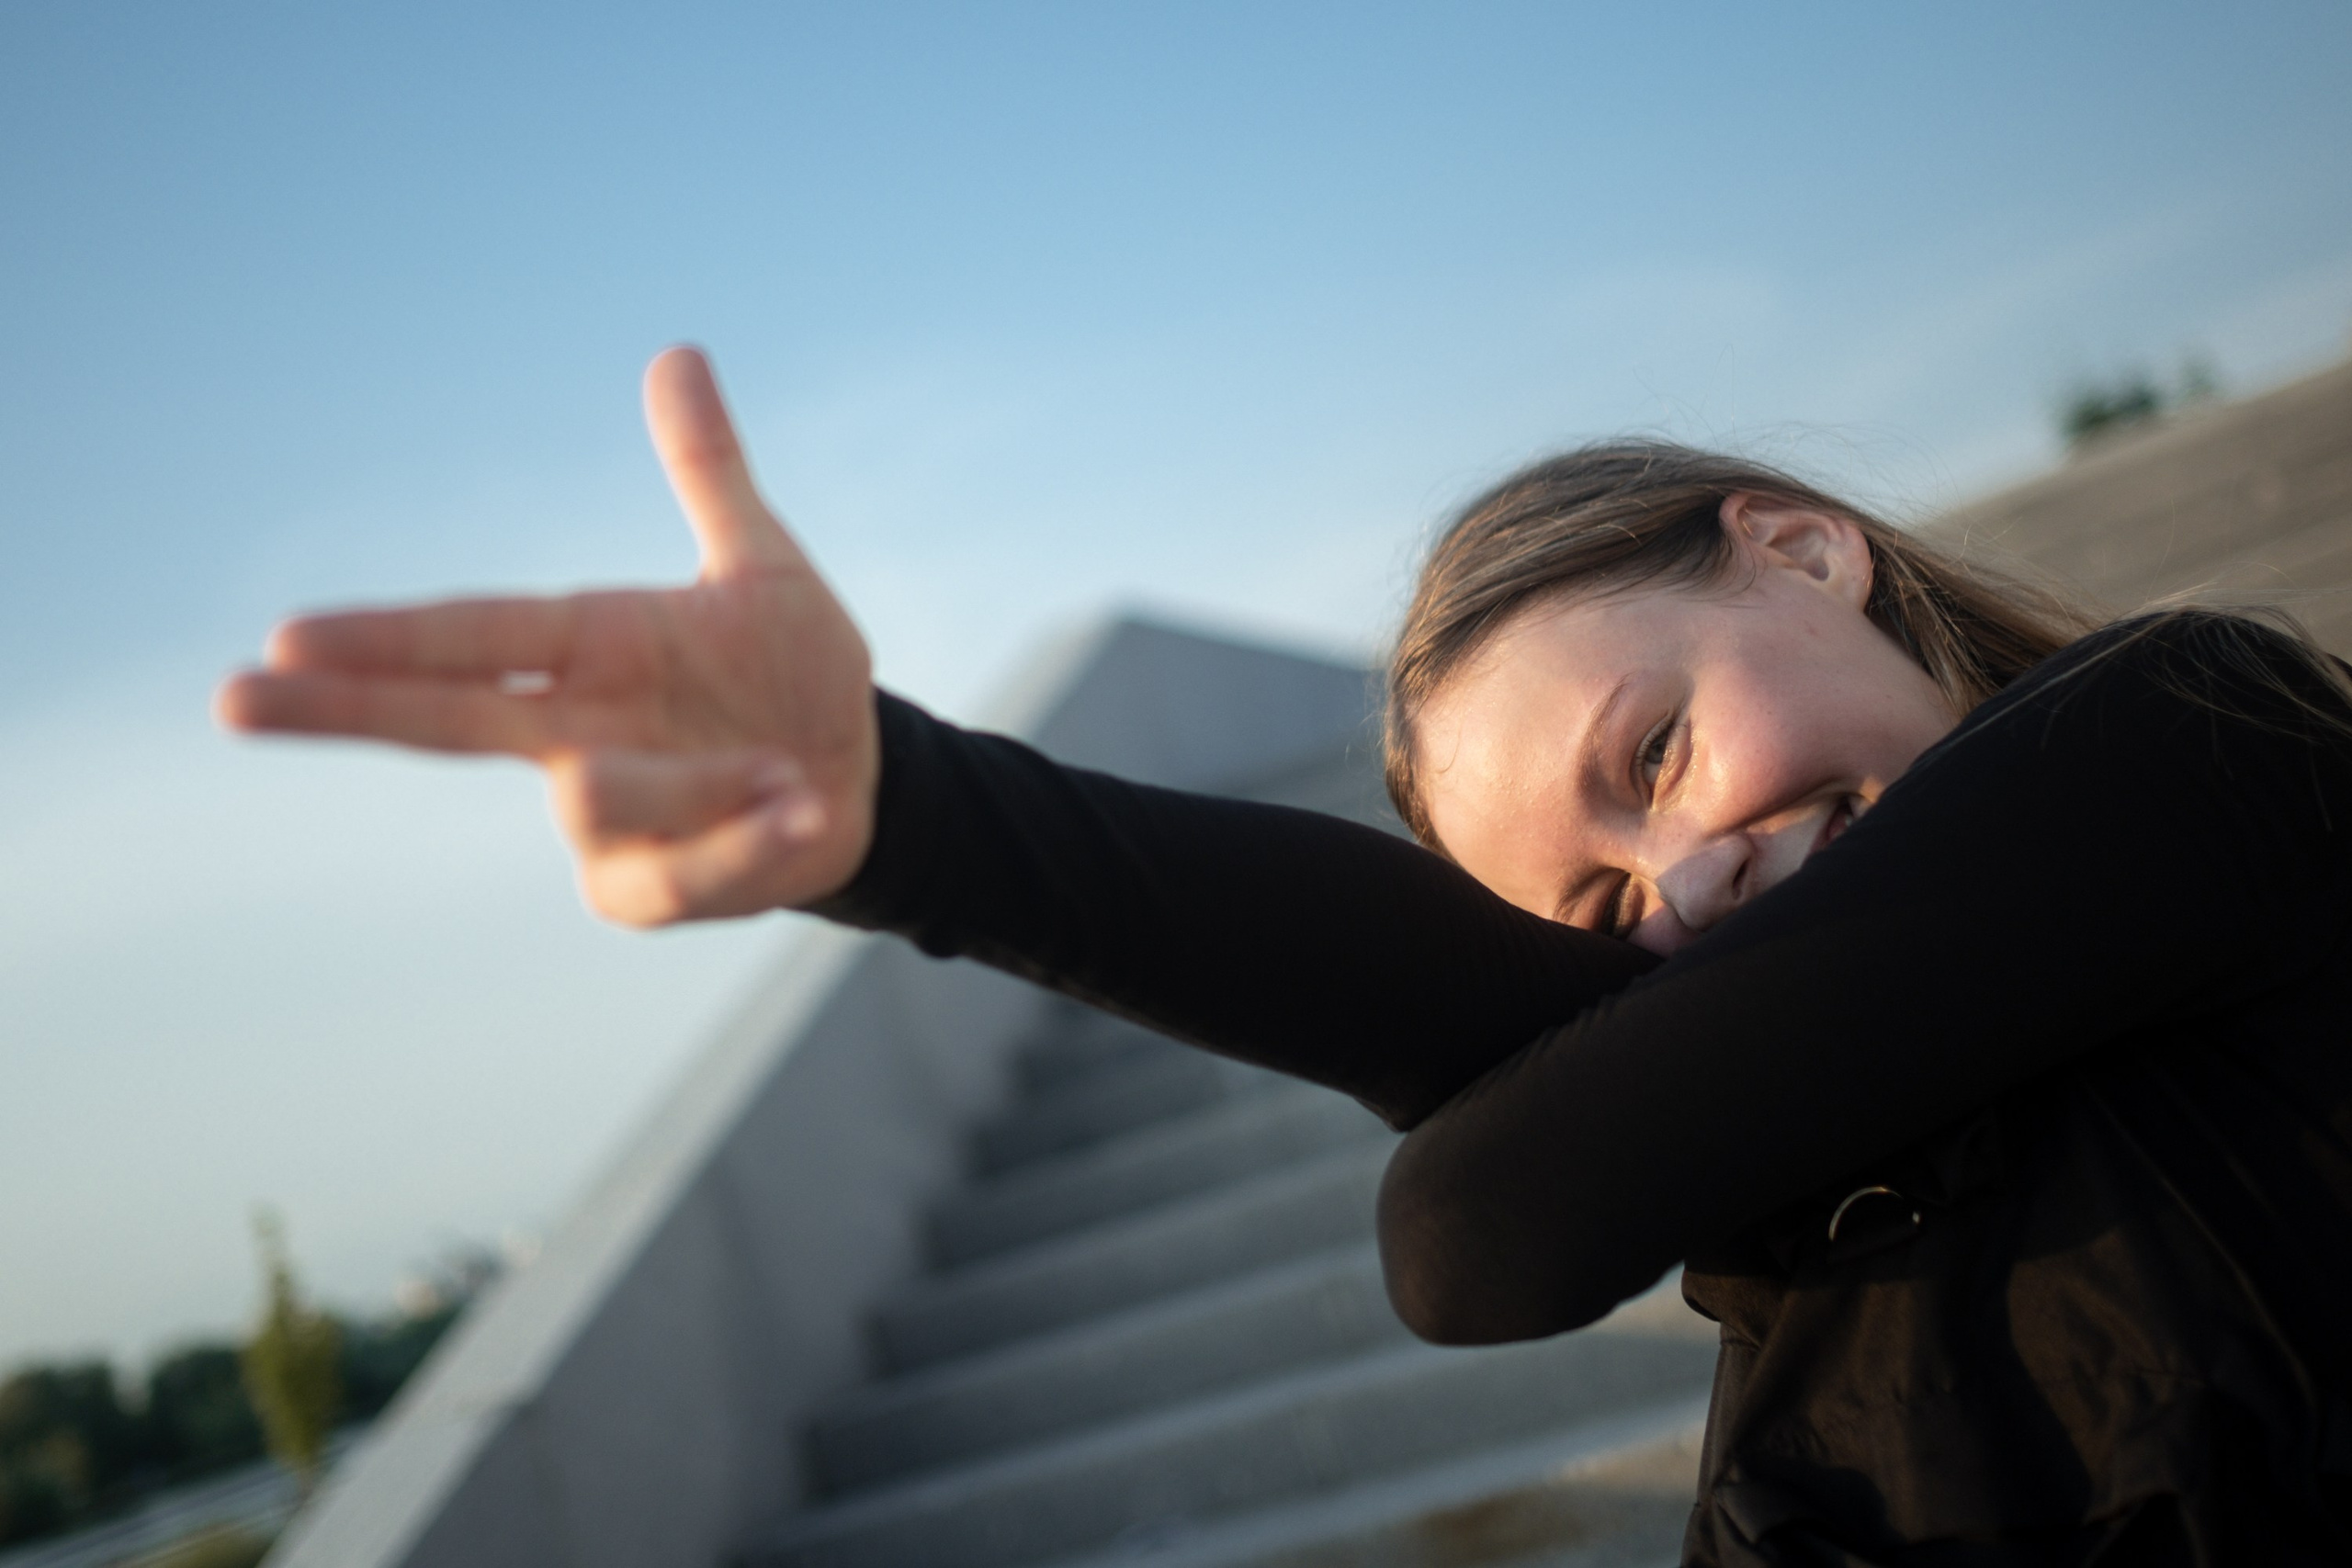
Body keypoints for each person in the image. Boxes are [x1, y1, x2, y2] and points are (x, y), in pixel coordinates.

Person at [219, 347, 2352, 1564]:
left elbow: (1472, 1228)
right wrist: (890, 812)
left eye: (1658, 745)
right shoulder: (1779, 1150)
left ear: (1797, 546)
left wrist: (928, 819)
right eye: (1596, 908)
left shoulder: (2195, 728)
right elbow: (1471, 1051)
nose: (1685, 875)